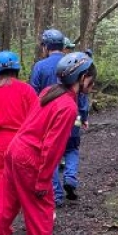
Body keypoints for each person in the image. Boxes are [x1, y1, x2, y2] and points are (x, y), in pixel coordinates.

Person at [0, 52, 97, 235]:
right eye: (90, 77)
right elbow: (53, 147)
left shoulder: (49, 92)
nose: (92, 82)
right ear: (81, 77)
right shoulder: (68, 107)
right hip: (29, 155)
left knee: (6, 200)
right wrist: (42, 181)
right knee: (41, 205)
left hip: (14, 148)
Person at [0, 51, 38, 202]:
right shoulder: (27, 90)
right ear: (17, 69)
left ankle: (1, 223)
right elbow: (37, 121)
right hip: (23, 142)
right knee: (28, 183)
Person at [29, 28, 68, 205]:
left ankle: (56, 192)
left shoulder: (40, 66)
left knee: (47, 152)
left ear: (46, 47)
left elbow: (33, 94)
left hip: (46, 118)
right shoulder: (69, 62)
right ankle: (62, 185)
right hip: (67, 113)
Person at [60, 38, 89, 200]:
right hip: (74, 118)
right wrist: (84, 118)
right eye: (67, 48)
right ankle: (70, 177)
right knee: (72, 148)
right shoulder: (75, 73)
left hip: (59, 118)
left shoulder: (62, 72)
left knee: (63, 149)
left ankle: (57, 189)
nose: (69, 50)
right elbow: (83, 101)